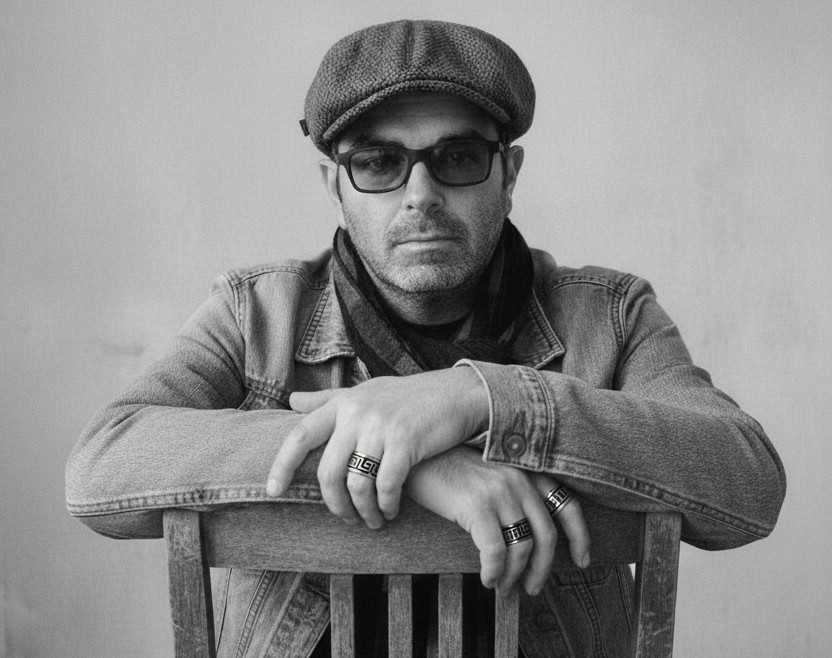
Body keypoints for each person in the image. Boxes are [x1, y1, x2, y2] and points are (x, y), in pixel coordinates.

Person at [66, 19, 786, 657]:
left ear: (508, 174)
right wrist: (405, 459)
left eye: (458, 157)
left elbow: (748, 481)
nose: (419, 195)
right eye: (378, 162)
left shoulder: (612, 317)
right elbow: (102, 466)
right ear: (335, 187)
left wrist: (484, 399)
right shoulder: (255, 313)